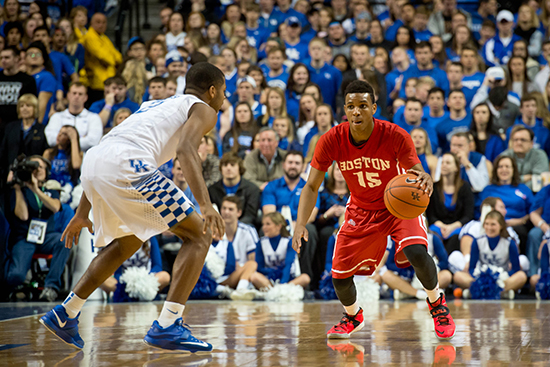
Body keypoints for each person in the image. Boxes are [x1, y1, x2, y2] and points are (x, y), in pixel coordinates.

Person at [39, 62, 227, 352]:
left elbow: (109, 147)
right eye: (224, 93)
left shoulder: (156, 104)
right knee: (200, 235)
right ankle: (168, 324)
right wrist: (206, 204)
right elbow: (186, 149)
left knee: (128, 241)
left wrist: (81, 211)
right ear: (212, 90)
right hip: (129, 165)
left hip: (96, 161)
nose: (224, 99)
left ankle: (66, 312)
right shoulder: (204, 108)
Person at [293, 80, 455, 340]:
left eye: (363, 106)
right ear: (344, 110)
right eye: (351, 107)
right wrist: (300, 223)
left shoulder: (394, 134)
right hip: (361, 207)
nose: (357, 111)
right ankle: (353, 316)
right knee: (339, 276)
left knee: (416, 251)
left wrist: (423, 177)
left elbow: (415, 169)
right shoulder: (331, 140)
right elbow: (311, 186)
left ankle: (437, 304)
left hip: (398, 207)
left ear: (374, 108)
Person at [5, 156, 70, 302]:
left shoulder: (51, 189)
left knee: (64, 240)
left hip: (47, 236)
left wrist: (36, 189)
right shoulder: (20, 189)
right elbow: (23, 215)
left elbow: (55, 207)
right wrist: (19, 188)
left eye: (41, 167)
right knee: (16, 276)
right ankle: (21, 288)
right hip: (25, 237)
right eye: (33, 166)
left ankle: (51, 287)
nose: (37, 169)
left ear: (46, 171)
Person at [453, 210, 527, 299]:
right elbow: (472, 268)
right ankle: (501, 293)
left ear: (501, 226)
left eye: (493, 224)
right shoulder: (477, 241)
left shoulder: (510, 243)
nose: (489, 227)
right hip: (481, 277)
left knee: (521, 276)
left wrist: (499, 278)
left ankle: (475, 292)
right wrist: (480, 279)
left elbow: (516, 269)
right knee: (457, 276)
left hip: (502, 278)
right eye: (486, 224)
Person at [210, 196, 259, 300]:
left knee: (252, 264)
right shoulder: (212, 231)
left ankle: (240, 290)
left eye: (231, 209)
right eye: (224, 208)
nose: (226, 212)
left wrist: (240, 268)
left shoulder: (248, 231)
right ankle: (240, 290)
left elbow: (254, 260)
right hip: (220, 275)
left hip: (242, 273)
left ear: (239, 213)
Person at [427, 152, 475, 254]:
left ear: (456, 168)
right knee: (433, 236)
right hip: (438, 226)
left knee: (455, 239)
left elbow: (468, 215)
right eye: (442, 162)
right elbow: (431, 215)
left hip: (457, 226)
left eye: (448, 163)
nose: (444, 165)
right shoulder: (434, 188)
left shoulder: (465, 187)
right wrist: (442, 226)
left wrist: (451, 227)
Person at [251, 212, 311, 291]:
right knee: (254, 277)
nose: (264, 227)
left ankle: (278, 291)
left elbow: (288, 265)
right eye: (263, 224)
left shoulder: (289, 242)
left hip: (288, 279)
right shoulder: (261, 242)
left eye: (268, 224)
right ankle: (275, 292)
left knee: (305, 278)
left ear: (278, 226)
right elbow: (259, 268)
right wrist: (273, 271)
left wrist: (282, 285)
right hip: (269, 279)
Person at [0, 94, 48, 183]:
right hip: (11, 175)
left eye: (28, 106)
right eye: (21, 106)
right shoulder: (10, 127)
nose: (24, 108)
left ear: (35, 108)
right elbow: (3, 152)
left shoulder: (43, 129)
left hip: (34, 176)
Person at [45, 82, 103, 152]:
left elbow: (93, 141)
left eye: (80, 94)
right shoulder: (57, 117)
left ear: (86, 98)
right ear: (68, 95)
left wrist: (64, 140)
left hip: (85, 157)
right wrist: (78, 139)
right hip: (60, 158)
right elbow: (51, 139)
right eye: (74, 93)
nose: (77, 96)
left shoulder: (94, 118)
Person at [208, 152, 261, 226]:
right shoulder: (212, 190)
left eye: (232, 165)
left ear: (239, 167)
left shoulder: (252, 189)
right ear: (221, 169)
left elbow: (250, 215)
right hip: (219, 226)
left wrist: (235, 226)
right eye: (225, 165)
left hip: (244, 227)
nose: (228, 168)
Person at [82, 13, 122, 104]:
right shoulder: (90, 37)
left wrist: (113, 59)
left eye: (104, 22)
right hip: (96, 84)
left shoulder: (104, 37)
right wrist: (113, 60)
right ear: (91, 23)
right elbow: (104, 57)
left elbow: (118, 57)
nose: (101, 25)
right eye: (98, 22)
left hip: (108, 80)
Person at [500, 126, 550, 191]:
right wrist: (524, 178)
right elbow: (501, 180)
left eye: (523, 140)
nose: (519, 143)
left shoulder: (539, 155)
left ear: (531, 143)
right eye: (515, 140)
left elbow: (539, 181)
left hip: (534, 194)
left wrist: (517, 186)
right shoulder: (504, 156)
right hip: (508, 193)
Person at [0, 46, 37, 128]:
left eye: (7, 58)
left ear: (16, 58)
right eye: (1, 58)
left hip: (18, 125)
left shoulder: (28, 80)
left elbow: (31, 104)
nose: (3, 60)